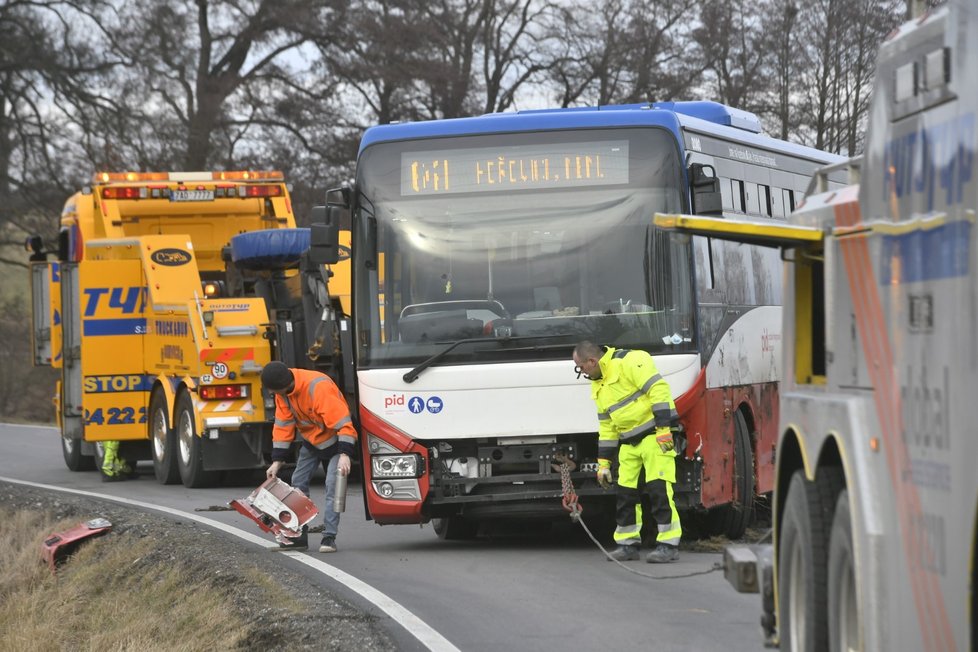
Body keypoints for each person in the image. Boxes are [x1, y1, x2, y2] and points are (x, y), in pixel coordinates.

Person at [572, 341, 682, 563]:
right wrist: (603, 463)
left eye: (581, 367)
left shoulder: (630, 361)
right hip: (629, 442)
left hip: (655, 437)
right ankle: (627, 544)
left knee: (659, 489)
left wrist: (663, 429)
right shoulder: (599, 384)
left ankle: (668, 545)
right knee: (625, 494)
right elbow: (607, 426)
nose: (581, 372)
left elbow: (659, 390)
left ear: (592, 361)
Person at [261, 361, 357, 553]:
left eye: (273, 391)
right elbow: (283, 425)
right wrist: (277, 461)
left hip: (336, 441)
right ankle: (297, 537)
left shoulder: (317, 387)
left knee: (333, 485)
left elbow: (344, 424)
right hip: (312, 441)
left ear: (282, 386)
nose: (273, 394)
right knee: (297, 483)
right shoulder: (284, 394)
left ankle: (329, 537)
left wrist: (345, 454)